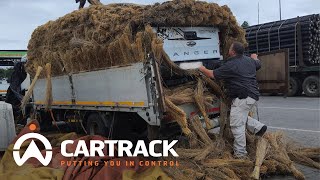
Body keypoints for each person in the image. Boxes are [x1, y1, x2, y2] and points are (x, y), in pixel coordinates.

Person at [198, 41, 267, 158]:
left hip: (243, 97)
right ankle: (257, 127)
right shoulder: (249, 61)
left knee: (236, 126)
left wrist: (202, 68)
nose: (228, 49)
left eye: (229, 48)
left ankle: (240, 154)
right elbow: (258, 64)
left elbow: (212, 75)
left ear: (233, 51)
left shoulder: (231, 65)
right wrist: (255, 57)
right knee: (240, 116)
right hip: (252, 96)